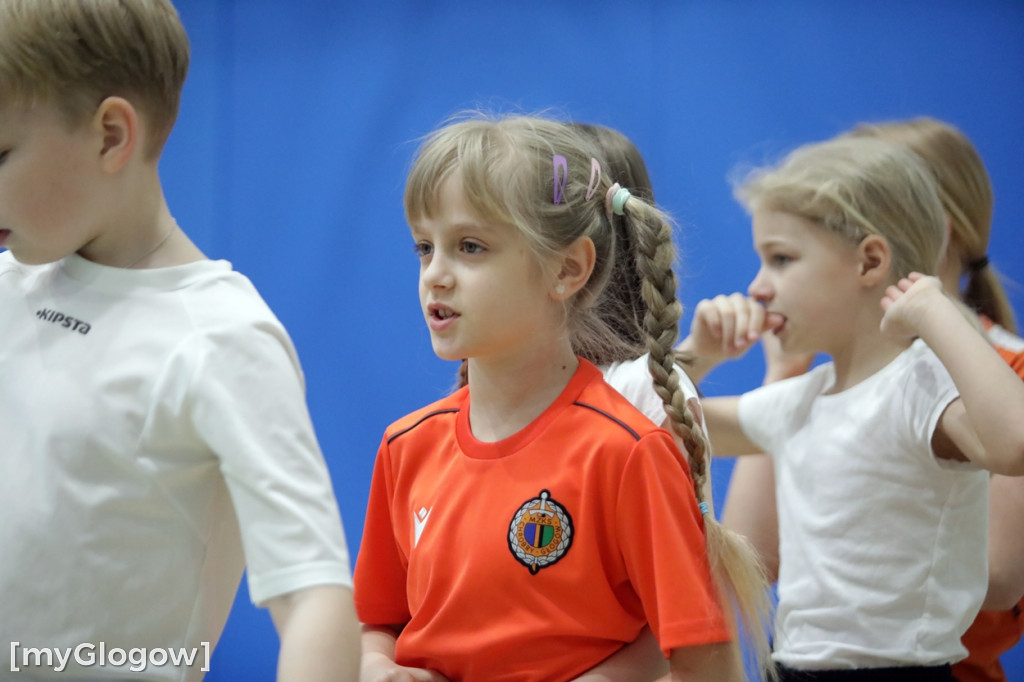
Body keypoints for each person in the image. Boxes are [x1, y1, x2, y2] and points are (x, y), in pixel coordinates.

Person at [0, 1, 359, 680]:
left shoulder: (221, 339)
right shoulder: (9, 283)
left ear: (110, 136)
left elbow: (313, 596)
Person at [353, 113, 773, 682]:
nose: (436, 275)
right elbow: (378, 624)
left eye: (470, 247)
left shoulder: (627, 451)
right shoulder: (405, 447)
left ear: (568, 269)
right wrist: (381, 668)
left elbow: (708, 664)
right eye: (425, 248)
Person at [677, 134, 1024, 680]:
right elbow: (658, 423)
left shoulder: (922, 384)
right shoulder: (802, 400)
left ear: (870, 262)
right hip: (788, 667)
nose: (757, 287)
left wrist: (937, 311)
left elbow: (1015, 443)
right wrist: (698, 355)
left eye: (781, 259)